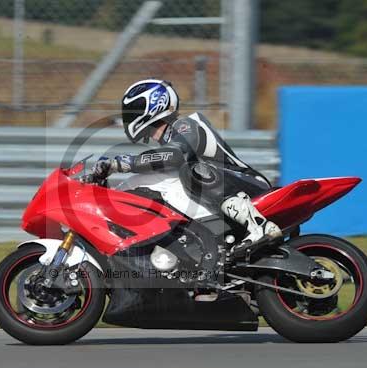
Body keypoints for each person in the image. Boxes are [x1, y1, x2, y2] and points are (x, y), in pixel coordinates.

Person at [91, 78, 281, 251]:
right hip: (225, 192)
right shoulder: (169, 138)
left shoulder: (185, 124)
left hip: (248, 186)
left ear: (154, 104)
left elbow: (174, 156)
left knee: (189, 171)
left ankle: (259, 227)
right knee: (147, 185)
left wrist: (123, 163)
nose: (130, 116)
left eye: (135, 109)